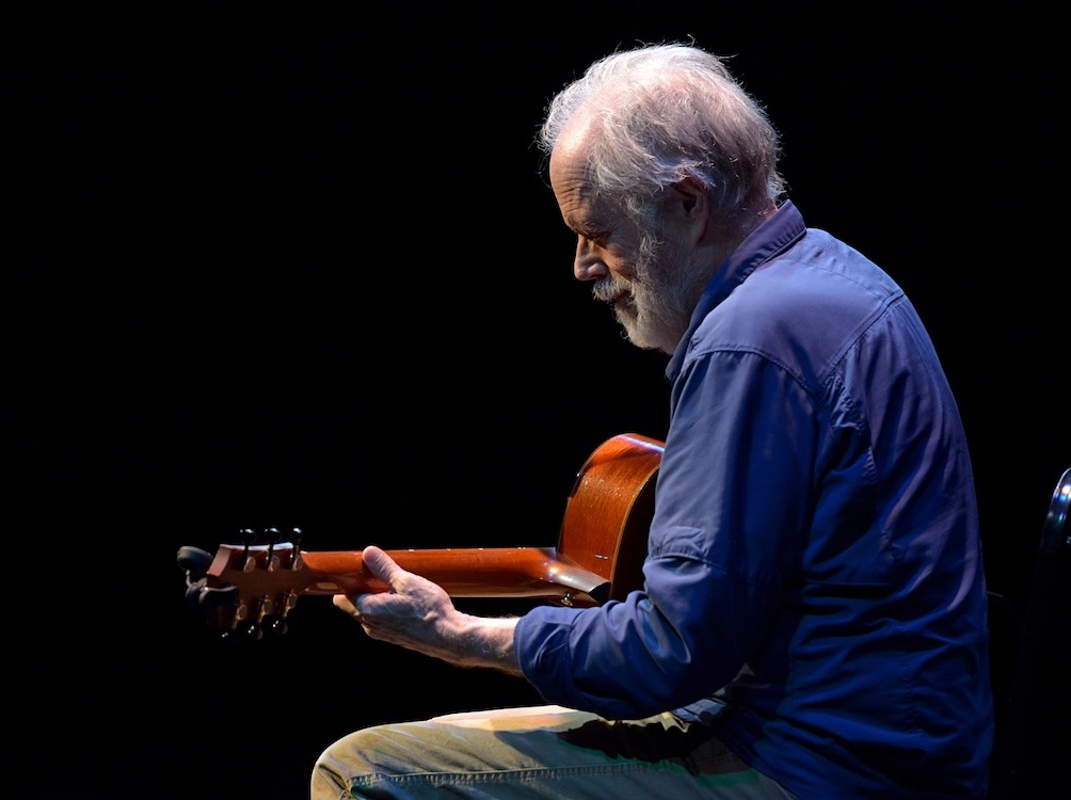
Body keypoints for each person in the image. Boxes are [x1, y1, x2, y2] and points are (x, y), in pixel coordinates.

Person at [311, 41, 993, 799]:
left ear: (687, 204)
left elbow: (671, 651)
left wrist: (461, 637)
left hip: (817, 769)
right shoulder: (833, 272)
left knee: (363, 770)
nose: (581, 265)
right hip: (873, 744)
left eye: (599, 233)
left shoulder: (753, 337)